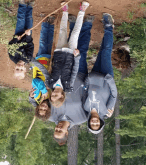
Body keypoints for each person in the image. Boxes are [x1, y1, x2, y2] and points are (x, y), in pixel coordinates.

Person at [49, 14, 95, 146]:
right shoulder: (82, 118)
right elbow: (90, 101)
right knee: (82, 51)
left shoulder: (52, 115)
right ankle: (87, 25)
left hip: (63, 73)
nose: (57, 128)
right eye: (60, 131)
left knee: (70, 49)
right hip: (79, 75)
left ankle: (74, 24)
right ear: (66, 133)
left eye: (55, 130)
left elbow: (41, 103)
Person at [46, 1, 89, 108]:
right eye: (56, 95)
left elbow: (46, 70)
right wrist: (77, 57)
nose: (54, 93)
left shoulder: (50, 83)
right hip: (70, 54)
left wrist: (33, 61)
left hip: (58, 54)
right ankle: (82, 10)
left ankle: (65, 10)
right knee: (75, 34)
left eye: (52, 95)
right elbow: (74, 70)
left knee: (62, 31)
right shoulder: (68, 85)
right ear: (61, 96)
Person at [82, 13, 118, 134]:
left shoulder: (86, 107)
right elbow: (114, 94)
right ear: (101, 123)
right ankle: (109, 26)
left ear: (89, 123)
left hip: (94, 75)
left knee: (102, 52)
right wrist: (109, 80)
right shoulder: (106, 111)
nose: (95, 122)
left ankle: (108, 30)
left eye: (92, 124)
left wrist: (88, 79)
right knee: (106, 53)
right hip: (106, 77)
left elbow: (85, 90)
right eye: (97, 124)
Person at [29, 16, 56, 121]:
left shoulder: (37, 96)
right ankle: (51, 24)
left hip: (40, 64)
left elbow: (35, 81)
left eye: (41, 108)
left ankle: (46, 23)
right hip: (50, 65)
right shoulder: (51, 99)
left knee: (43, 43)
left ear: (38, 106)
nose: (43, 107)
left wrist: (44, 90)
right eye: (45, 110)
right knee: (50, 44)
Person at [8, 0, 35, 80]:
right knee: (29, 20)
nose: (19, 67)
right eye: (21, 70)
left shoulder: (12, 57)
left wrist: (16, 39)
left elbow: (10, 46)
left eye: (17, 69)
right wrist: (28, 36)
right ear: (25, 69)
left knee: (21, 19)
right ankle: (30, 6)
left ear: (14, 68)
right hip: (27, 35)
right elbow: (30, 46)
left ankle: (22, 5)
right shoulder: (28, 58)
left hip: (19, 34)